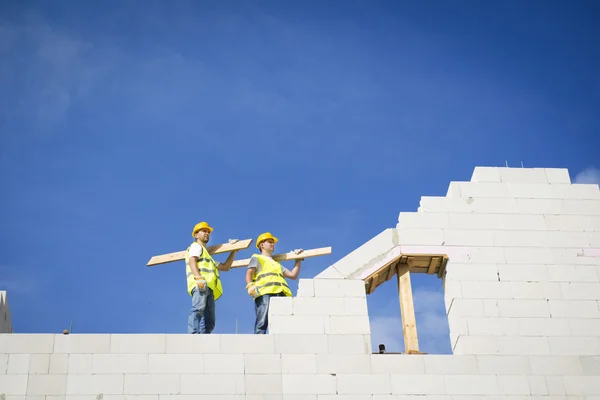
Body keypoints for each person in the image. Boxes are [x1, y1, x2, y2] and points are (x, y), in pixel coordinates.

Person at [185, 221, 237, 334]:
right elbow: (192, 261)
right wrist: (198, 278)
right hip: (200, 285)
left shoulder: (208, 257)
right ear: (196, 235)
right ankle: (193, 335)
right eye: (204, 231)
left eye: (208, 232)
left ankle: (203, 339)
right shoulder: (195, 247)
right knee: (197, 309)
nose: (207, 233)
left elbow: (226, 267)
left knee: (210, 321)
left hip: (209, 288)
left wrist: (234, 251)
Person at [245, 232, 303, 334]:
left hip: (281, 293)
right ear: (262, 245)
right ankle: (258, 344)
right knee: (262, 322)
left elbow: (293, 275)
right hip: (265, 293)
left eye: (273, 242)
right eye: (270, 242)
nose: (273, 244)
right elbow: (249, 272)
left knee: (282, 322)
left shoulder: (276, 264)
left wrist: (298, 261)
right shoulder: (257, 258)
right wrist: (250, 285)